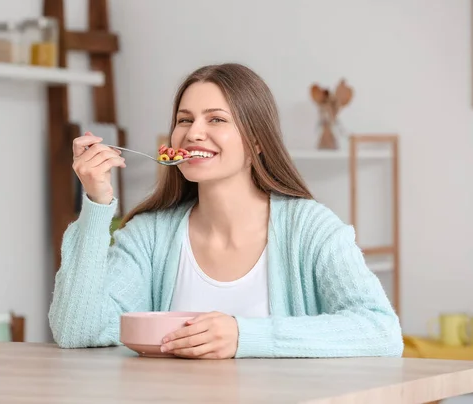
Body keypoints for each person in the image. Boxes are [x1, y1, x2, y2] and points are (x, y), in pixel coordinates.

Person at [48, 63, 403, 359]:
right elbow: (77, 329)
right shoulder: (149, 235)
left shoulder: (310, 228)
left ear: (258, 141)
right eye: (184, 120)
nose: (193, 133)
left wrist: (242, 335)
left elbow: (381, 330)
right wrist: (95, 205)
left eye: (216, 119)